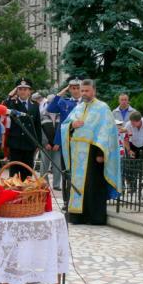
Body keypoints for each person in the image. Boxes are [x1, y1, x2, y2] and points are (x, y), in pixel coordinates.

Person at [61, 79, 121, 225]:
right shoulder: (78, 107)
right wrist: (72, 125)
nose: (84, 93)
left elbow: (107, 132)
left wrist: (101, 154)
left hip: (94, 153)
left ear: (94, 90)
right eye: (82, 91)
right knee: (77, 186)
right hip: (77, 154)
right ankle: (77, 216)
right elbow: (65, 126)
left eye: (87, 90)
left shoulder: (102, 108)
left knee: (93, 185)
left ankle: (95, 217)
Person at [47, 75, 83, 203]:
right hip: (67, 142)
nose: (75, 90)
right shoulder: (65, 102)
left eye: (77, 87)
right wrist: (62, 92)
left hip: (83, 143)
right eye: (72, 88)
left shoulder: (87, 103)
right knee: (66, 171)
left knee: (81, 172)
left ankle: (80, 200)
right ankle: (67, 201)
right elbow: (50, 108)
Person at [3, 78, 42, 179]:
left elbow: (37, 125)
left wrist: (38, 143)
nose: (23, 91)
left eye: (25, 89)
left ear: (30, 91)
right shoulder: (12, 103)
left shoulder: (35, 105)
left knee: (27, 174)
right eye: (20, 89)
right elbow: (3, 106)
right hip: (16, 144)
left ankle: (26, 195)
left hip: (29, 144)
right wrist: (11, 94)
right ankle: (14, 195)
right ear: (17, 91)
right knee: (14, 175)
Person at [39, 94, 62, 190]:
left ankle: (56, 185)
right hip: (46, 145)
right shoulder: (42, 114)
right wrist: (45, 143)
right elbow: (40, 130)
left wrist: (58, 143)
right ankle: (44, 184)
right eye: (49, 102)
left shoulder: (61, 115)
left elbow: (62, 129)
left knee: (58, 166)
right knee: (44, 166)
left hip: (57, 146)